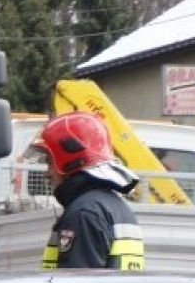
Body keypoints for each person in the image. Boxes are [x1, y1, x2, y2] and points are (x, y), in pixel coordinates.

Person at [31, 112, 145, 271]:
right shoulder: (116, 207)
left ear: (69, 161)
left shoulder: (84, 214)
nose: (46, 173)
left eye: (50, 162)